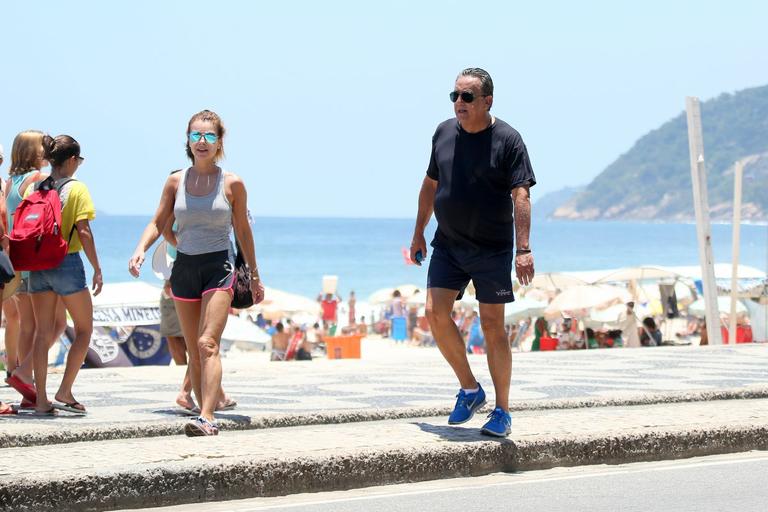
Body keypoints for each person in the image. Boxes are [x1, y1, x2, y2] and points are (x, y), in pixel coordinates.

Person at [409, 68, 535, 437]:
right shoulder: (444, 132)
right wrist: (418, 232)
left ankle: (502, 410)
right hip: (448, 242)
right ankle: (469, 388)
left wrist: (523, 249)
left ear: (487, 101)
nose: (458, 104)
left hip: (492, 248)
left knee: (493, 326)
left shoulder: (508, 140)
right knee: (434, 313)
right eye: (455, 96)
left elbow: (521, 196)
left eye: (466, 97)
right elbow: (430, 184)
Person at [129, 110, 264, 436]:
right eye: (195, 136)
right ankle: (209, 406)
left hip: (219, 266)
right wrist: (140, 250)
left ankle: (207, 417)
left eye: (209, 136)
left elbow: (243, 233)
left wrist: (255, 276)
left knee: (207, 344)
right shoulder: (176, 181)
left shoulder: (232, 183)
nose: (202, 142)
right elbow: (158, 223)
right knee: (193, 349)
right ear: (187, 140)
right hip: (185, 269)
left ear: (219, 142)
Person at [29, 134, 102, 416]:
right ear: (71, 160)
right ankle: (65, 390)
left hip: (38, 266)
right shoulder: (77, 189)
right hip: (66, 262)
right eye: (79, 160)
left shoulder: (37, 187)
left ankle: (42, 400)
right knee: (84, 329)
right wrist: (97, 267)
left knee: (42, 334)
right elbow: (83, 231)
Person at [2, 131, 68, 408]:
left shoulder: (9, 184)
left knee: (27, 324)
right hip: (38, 258)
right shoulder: (39, 180)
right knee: (57, 324)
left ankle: (25, 383)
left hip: (16, 260)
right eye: (45, 148)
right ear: (35, 152)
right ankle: (24, 372)